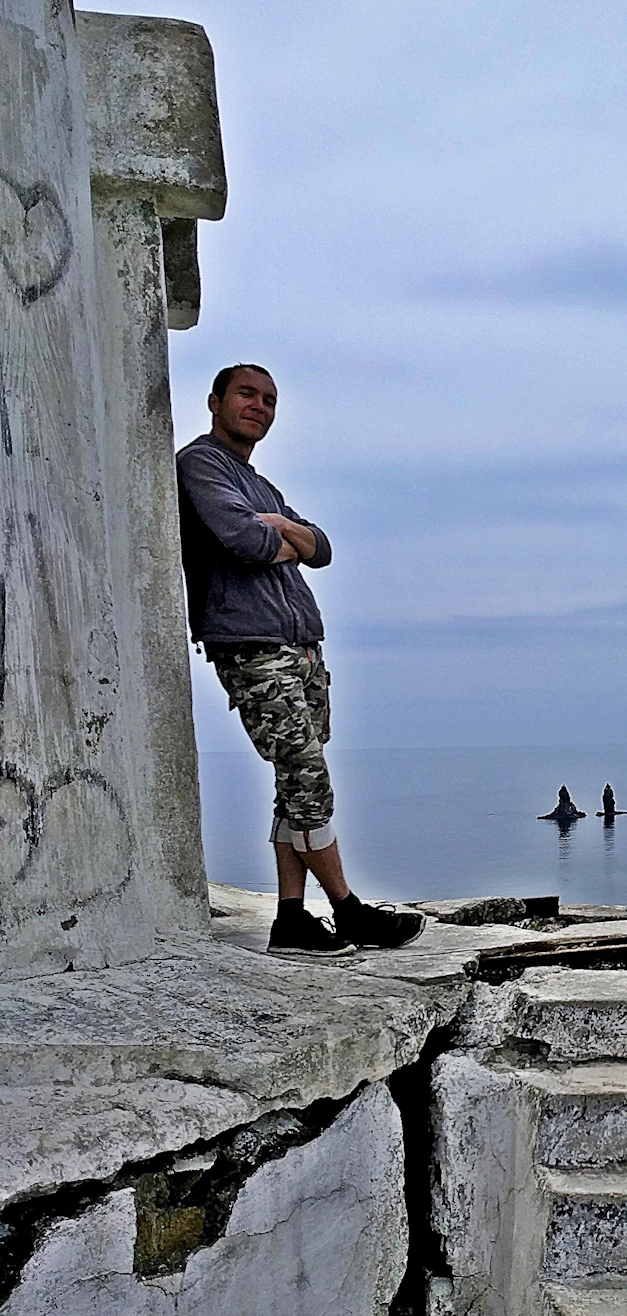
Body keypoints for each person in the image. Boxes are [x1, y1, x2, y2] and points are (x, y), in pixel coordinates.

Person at [176, 364, 423, 958]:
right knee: (309, 781)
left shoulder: (260, 486)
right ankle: (348, 910)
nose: (258, 406)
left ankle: (291, 920)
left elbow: (322, 549)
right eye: (246, 394)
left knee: (294, 785)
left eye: (269, 399)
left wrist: (284, 526)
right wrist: (284, 541)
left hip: (302, 651)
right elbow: (246, 541)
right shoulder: (200, 465)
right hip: (254, 648)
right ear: (216, 401)